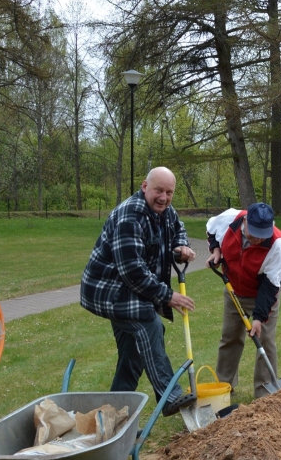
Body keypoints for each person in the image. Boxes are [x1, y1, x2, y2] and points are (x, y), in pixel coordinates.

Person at [81, 167, 198, 416]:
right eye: (158, 190)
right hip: (109, 290)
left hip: (131, 290)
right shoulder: (129, 216)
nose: (164, 198)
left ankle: (112, 416)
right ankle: (169, 395)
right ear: (145, 186)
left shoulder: (165, 211)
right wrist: (169, 296)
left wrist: (182, 245)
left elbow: (178, 227)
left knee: (132, 356)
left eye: (169, 192)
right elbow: (132, 270)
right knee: (150, 325)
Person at [205, 202, 281, 399]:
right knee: (230, 336)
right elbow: (211, 229)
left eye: (263, 234)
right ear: (244, 222)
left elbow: (270, 286)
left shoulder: (277, 243)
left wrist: (258, 318)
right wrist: (216, 251)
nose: (258, 239)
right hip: (233, 289)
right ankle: (224, 386)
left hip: (262, 291)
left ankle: (265, 391)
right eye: (254, 233)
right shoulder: (229, 219)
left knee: (265, 340)